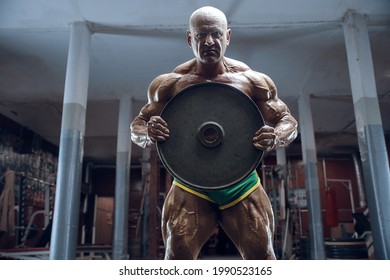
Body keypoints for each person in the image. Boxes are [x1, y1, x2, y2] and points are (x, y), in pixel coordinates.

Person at [130, 6, 298, 260]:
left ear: (227, 37)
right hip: (190, 183)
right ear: (190, 39)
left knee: (263, 261)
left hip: (240, 182)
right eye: (201, 35)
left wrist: (275, 136)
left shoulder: (251, 80)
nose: (209, 41)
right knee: (176, 261)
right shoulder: (170, 83)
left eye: (216, 34)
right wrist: (148, 132)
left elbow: (287, 120)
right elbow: (138, 125)